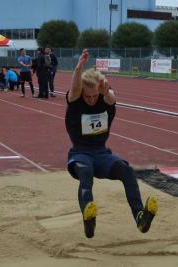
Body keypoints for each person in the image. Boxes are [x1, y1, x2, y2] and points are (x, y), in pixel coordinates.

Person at [65, 49, 158, 238]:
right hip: (80, 154)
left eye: (94, 96)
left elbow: (110, 98)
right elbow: (75, 88)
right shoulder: (75, 100)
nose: (91, 100)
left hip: (102, 154)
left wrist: (105, 91)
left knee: (127, 171)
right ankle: (89, 219)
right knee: (86, 172)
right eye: (87, 96)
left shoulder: (105, 98)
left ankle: (140, 217)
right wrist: (78, 67)